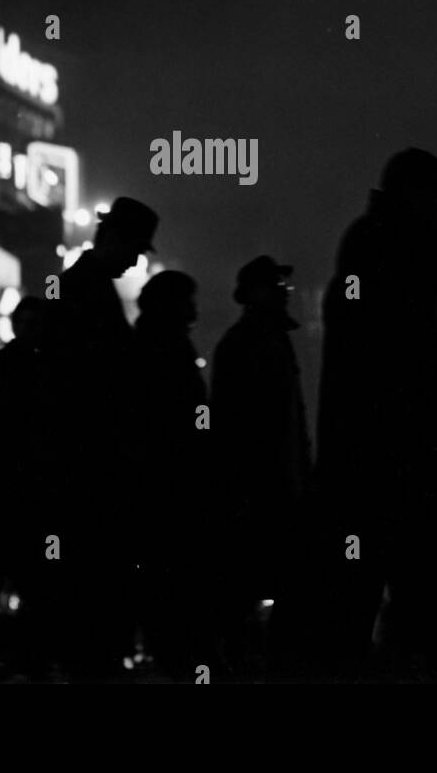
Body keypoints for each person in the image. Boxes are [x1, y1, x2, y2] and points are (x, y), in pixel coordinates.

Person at [314, 148, 437, 674]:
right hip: (388, 449)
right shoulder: (384, 245)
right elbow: (424, 283)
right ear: (414, 195)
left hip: (373, 448)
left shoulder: (368, 243)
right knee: (405, 577)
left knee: (373, 582)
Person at [48, 196, 158, 677]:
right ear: (113, 239)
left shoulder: (81, 286)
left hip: (85, 470)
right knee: (96, 602)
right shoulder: (85, 291)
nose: (137, 259)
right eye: (135, 247)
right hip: (90, 473)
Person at [209, 256, 311, 673]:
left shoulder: (256, 341)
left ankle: (253, 660)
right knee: (257, 582)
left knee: (252, 583)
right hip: (262, 488)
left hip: (267, 486)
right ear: (255, 293)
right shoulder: (252, 343)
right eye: (276, 285)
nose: (285, 291)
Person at [0, 296, 64, 674]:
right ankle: (30, 659)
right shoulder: (54, 374)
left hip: (4, 500)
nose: (33, 330)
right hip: (26, 502)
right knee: (35, 585)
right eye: (30, 322)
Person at [129, 270, 209, 676]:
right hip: (168, 492)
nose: (195, 308)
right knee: (171, 593)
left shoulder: (150, 344)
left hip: (160, 490)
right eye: (188, 300)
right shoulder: (166, 349)